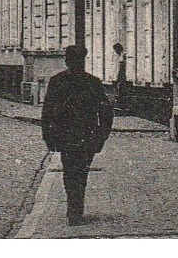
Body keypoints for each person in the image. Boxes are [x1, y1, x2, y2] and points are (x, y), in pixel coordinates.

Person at [41, 44, 115, 225]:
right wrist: (101, 136)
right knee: (81, 173)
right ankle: (76, 209)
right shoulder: (92, 82)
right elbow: (106, 112)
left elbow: (47, 112)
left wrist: (49, 137)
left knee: (70, 172)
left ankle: (73, 209)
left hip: (67, 136)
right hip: (86, 137)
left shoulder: (57, 81)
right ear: (83, 60)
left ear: (67, 60)